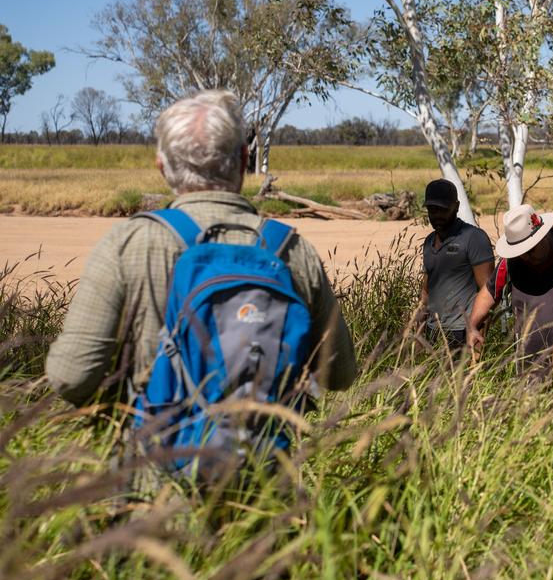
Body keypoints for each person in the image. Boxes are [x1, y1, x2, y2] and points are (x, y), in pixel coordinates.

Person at [45, 89, 356, 470]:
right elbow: (340, 373)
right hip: (264, 490)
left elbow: (72, 376)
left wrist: (123, 405)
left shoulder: (129, 243)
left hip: (151, 487)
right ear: (244, 159)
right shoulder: (292, 250)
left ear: (162, 166)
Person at [466, 204, 553, 361]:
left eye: (529, 251)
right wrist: (472, 326)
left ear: (543, 236)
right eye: (519, 252)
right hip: (526, 370)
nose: (524, 257)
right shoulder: (510, 262)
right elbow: (489, 292)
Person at [414, 179, 494, 349]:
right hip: (433, 332)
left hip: (462, 333)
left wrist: (478, 340)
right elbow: (426, 291)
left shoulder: (474, 238)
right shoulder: (429, 242)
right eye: (432, 209)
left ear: (456, 206)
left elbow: (488, 291)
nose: (437, 215)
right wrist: (418, 332)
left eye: (443, 209)